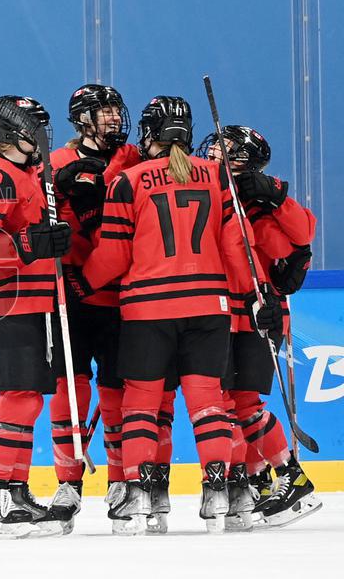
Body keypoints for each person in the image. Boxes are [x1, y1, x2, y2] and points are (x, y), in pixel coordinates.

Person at [68, 96, 278, 535]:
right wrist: (257, 296)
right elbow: (236, 246)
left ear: (149, 133)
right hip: (210, 307)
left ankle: (144, 497)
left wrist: (80, 284)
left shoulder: (128, 180)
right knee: (208, 403)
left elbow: (113, 253)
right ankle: (220, 493)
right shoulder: (216, 176)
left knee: (142, 404)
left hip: (148, 309)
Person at [200, 125, 322, 528]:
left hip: (255, 313)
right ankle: (258, 478)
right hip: (228, 312)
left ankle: (291, 477)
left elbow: (300, 239)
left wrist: (273, 191)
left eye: (226, 149)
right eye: (215, 145)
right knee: (229, 404)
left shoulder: (262, 202)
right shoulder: (215, 195)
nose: (215, 152)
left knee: (243, 404)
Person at [0, 96, 72, 538]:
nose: (43, 137)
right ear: (12, 132)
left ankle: (17, 488)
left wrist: (50, 239)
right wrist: (32, 243)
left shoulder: (30, 173)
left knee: (29, 399)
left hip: (36, 301)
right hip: (8, 302)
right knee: (18, 396)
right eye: (35, 129)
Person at [48, 84, 142, 531]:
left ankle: (122, 480)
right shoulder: (57, 164)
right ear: (82, 118)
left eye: (114, 110)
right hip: (73, 296)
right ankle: (68, 481)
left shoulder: (137, 159)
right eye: (103, 111)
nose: (113, 118)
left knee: (118, 392)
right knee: (71, 388)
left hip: (122, 296)